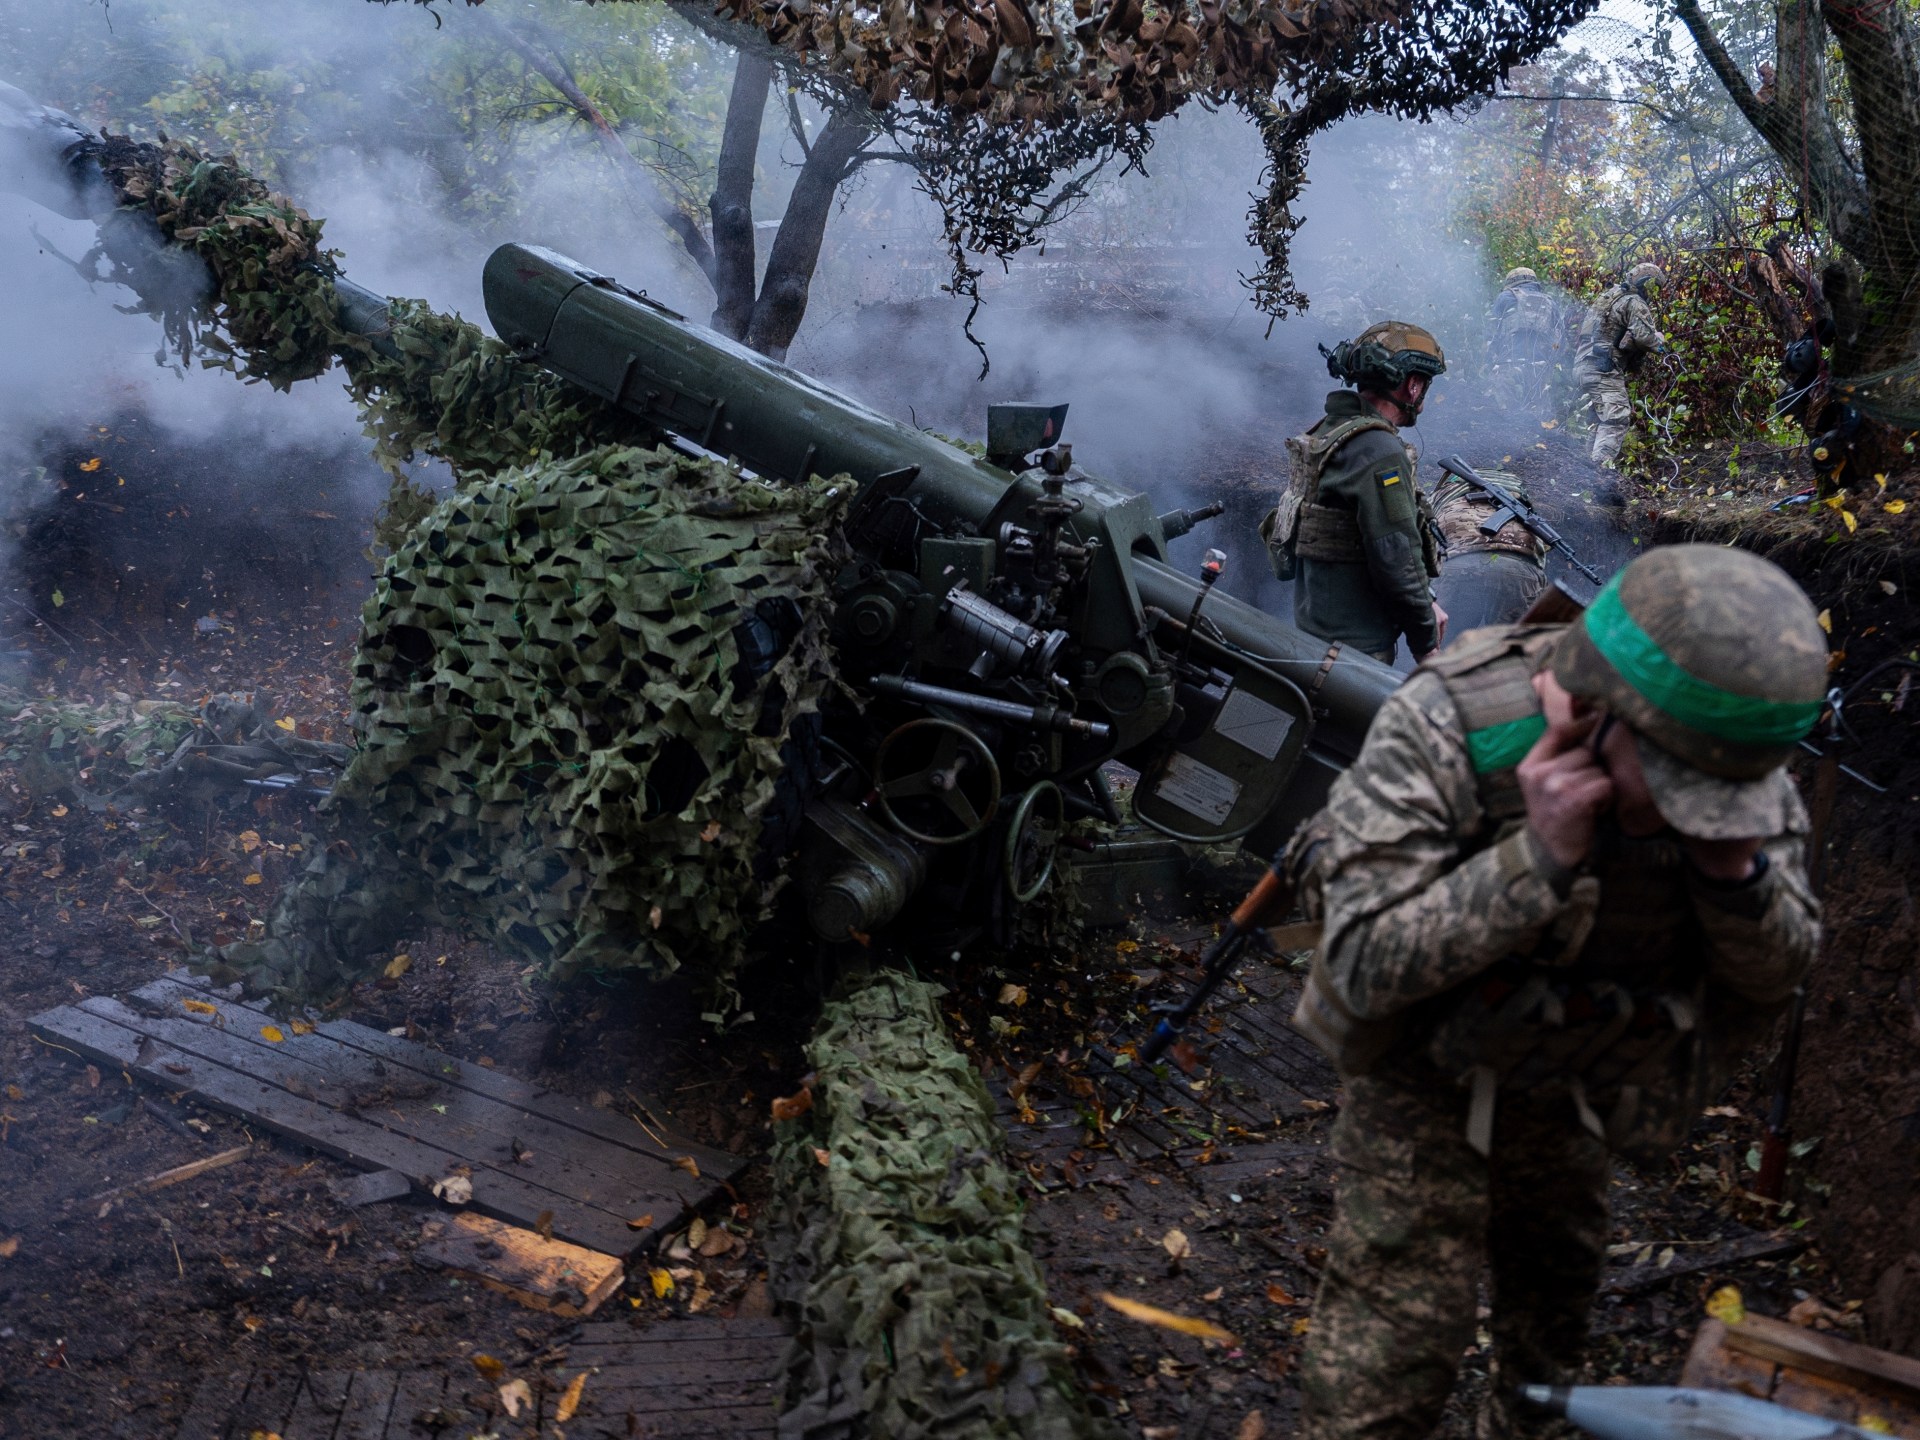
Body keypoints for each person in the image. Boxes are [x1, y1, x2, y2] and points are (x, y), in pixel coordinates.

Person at [1288, 543, 1826, 1440]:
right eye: (1679, 789)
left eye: (1722, 798)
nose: (1697, 814)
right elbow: (1359, 962)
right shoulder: (1448, 722)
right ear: (1592, 709)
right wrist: (1534, 862)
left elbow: (1780, 972)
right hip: (1422, 1074)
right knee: (1392, 1355)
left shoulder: (1728, 750)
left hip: (1575, 1075)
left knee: (1555, 1307)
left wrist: (1734, 876)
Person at [1262, 321, 1450, 664]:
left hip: (1314, 638)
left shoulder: (1331, 433)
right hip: (1354, 656)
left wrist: (1427, 600)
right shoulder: (1378, 449)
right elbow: (1396, 556)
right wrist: (1427, 645)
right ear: (1413, 385)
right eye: (1425, 385)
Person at [1428, 468, 1549, 636]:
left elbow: (1421, 549)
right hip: (1519, 569)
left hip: (1458, 563)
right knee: (1508, 652)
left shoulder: (1441, 497)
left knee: (1444, 649)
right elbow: (1540, 557)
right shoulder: (1523, 504)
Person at [1572, 262, 1667, 469]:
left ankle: (1585, 472)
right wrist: (1660, 343)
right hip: (1603, 368)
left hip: (1583, 365)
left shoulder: (1606, 299)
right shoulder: (1634, 301)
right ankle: (1599, 471)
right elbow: (1644, 337)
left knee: (1602, 419)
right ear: (1647, 284)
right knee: (1617, 418)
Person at [1487, 268, 1562, 410]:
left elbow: (1491, 333)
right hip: (1540, 369)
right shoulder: (1551, 303)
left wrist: (1489, 361)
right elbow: (1560, 340)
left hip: (1508, 365)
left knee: (1503, 415)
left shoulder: (1505, 297)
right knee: (1537, 417)